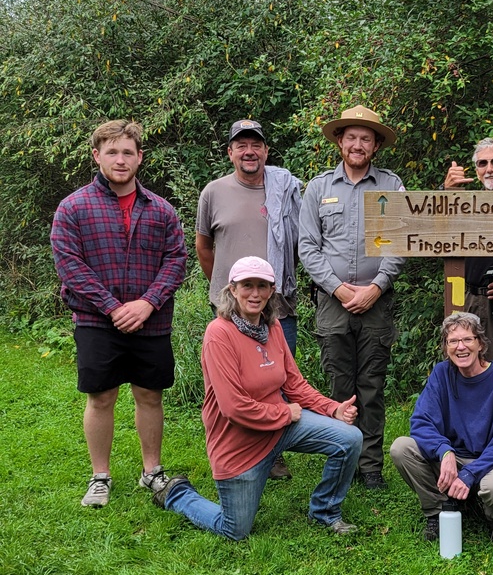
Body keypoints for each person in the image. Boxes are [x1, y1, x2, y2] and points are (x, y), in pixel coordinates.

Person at [153, 257, 362, 539]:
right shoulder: (219, 334)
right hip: (239, 442)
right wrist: (285, 414)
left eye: (262, 286)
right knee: (234, 530)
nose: (255, 293)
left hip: (281, 429)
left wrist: (333, 409)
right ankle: (177, 494)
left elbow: (293, 383)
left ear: (271, 291)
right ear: (233, 290)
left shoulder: (272, 327)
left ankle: (325, 511)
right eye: (247, 285)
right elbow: (233, 407)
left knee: (349, 438)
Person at [50, 119, 187, 507]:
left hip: (152, 318)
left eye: (128, 152)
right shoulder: (73, 207)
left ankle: (152, 472)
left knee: (149, 394)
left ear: (140, 157)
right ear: (97, 156)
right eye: (112, 152)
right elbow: (70, 265)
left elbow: (176, 260)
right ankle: (100, 476)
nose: (121, 159)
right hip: (96, 320)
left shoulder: (161, 210)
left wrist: (147, 303)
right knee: (101, 396)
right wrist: (112, 307)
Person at [298, 105, 405, 490]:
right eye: (351, 137)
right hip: (333, 302)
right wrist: (339, 288)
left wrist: (375, 287)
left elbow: (400, 243)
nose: (357, 144)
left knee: (372, 386)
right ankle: (344, 456)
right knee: (341, 386)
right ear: (340, 142)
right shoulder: (318, 188)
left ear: (375, 145)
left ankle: (371, 465)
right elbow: (308, 247)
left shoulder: (392, 187)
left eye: (366, 138)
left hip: (377, 301)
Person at [195, 118, 302, 480]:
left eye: (255, 144)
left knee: (276, 380)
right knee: (229, 383)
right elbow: (204, 246)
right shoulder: (213, 192)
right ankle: (233, 451)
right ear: (230, 152)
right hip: (230, 308)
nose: (249, 151)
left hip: (278, 305)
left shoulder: (284, 190)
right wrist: (227, 292)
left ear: (266, 151)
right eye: (240, 145)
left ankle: (273, 453)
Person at [390, 312, 493, 542]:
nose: (460, 347)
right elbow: (421, 421)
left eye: (467, 340)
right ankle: (438, 510)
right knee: (401, 448)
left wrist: (470, 473)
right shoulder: (441, 373)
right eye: (453, 341)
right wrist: (445, 451)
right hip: (456, 456)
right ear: (446, 347)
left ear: (480, 343)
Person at [443, 137, 493, 367]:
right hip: (468, 298)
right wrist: (445, 192)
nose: (489, 169)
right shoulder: (466, 206)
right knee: (464, 364)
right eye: (482, 164)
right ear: (476, 171)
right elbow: (433, 228)